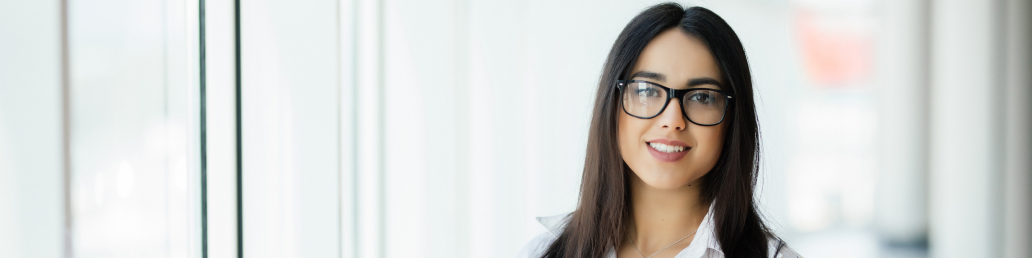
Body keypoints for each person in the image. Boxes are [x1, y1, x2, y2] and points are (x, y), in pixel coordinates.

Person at [518, 3, 800, 258]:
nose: (672, 120)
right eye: (647, 90)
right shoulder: (544, 253)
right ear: (612, 104)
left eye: (702, 97)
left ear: (733, 120)